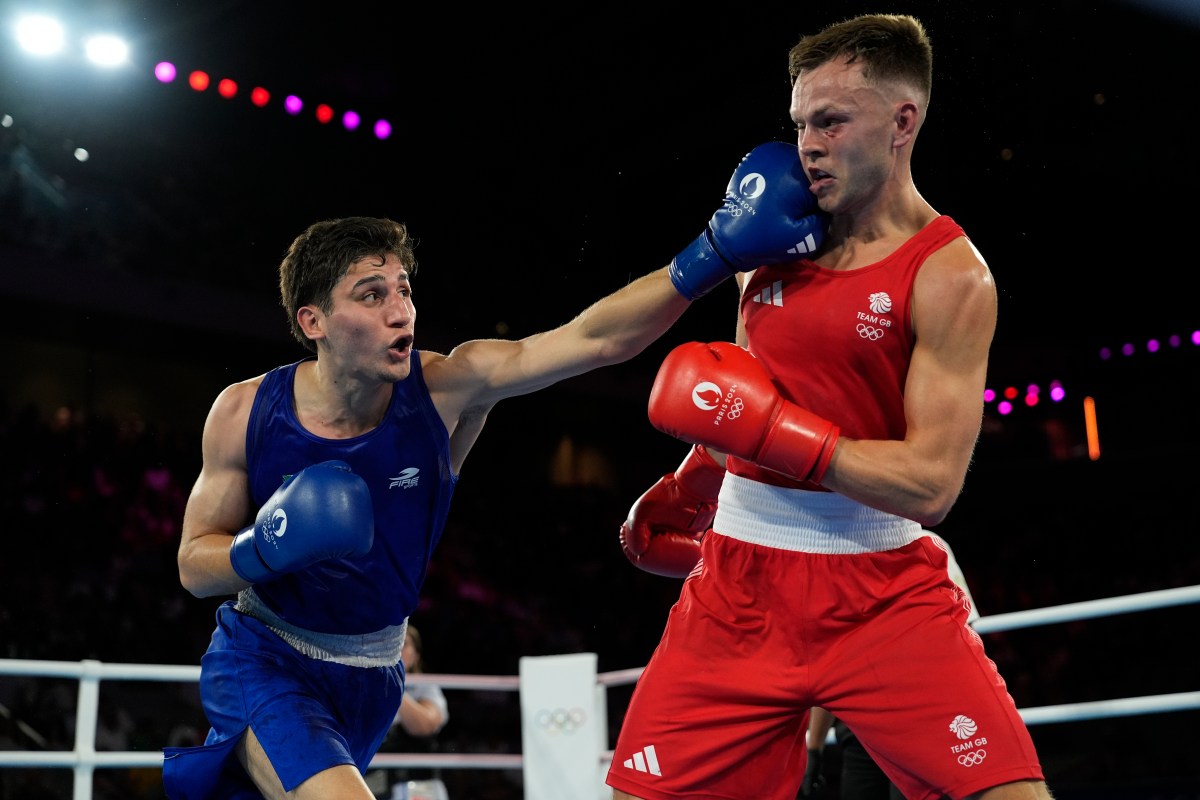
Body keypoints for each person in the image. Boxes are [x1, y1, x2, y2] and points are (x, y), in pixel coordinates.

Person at [162, 140, 830, 799]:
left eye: (402, 289)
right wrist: (265, 547)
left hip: (375, 673)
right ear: (314, 321)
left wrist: (712, 251)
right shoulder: (245, 411)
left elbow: (595, 341)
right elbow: (194, 567)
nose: (400, 311)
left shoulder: (449, 387)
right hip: (265, 656)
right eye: (370, 296)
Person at [609, 13, 1053, 800]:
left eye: (830, 120)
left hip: (882, 590)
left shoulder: (950, 274)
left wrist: (778, 436)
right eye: (799, 123)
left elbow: (931, 486)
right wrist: (693, 482)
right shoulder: (766, 243)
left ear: (901, 123)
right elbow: (742, 403)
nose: (806, 143)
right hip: (738, 587)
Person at [799, 534, 981, 800]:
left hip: (919, 720)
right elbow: (829, 663)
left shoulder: (927, 544)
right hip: (858, 728)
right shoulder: (831, 557)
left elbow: (964, 643)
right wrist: (813, 748)